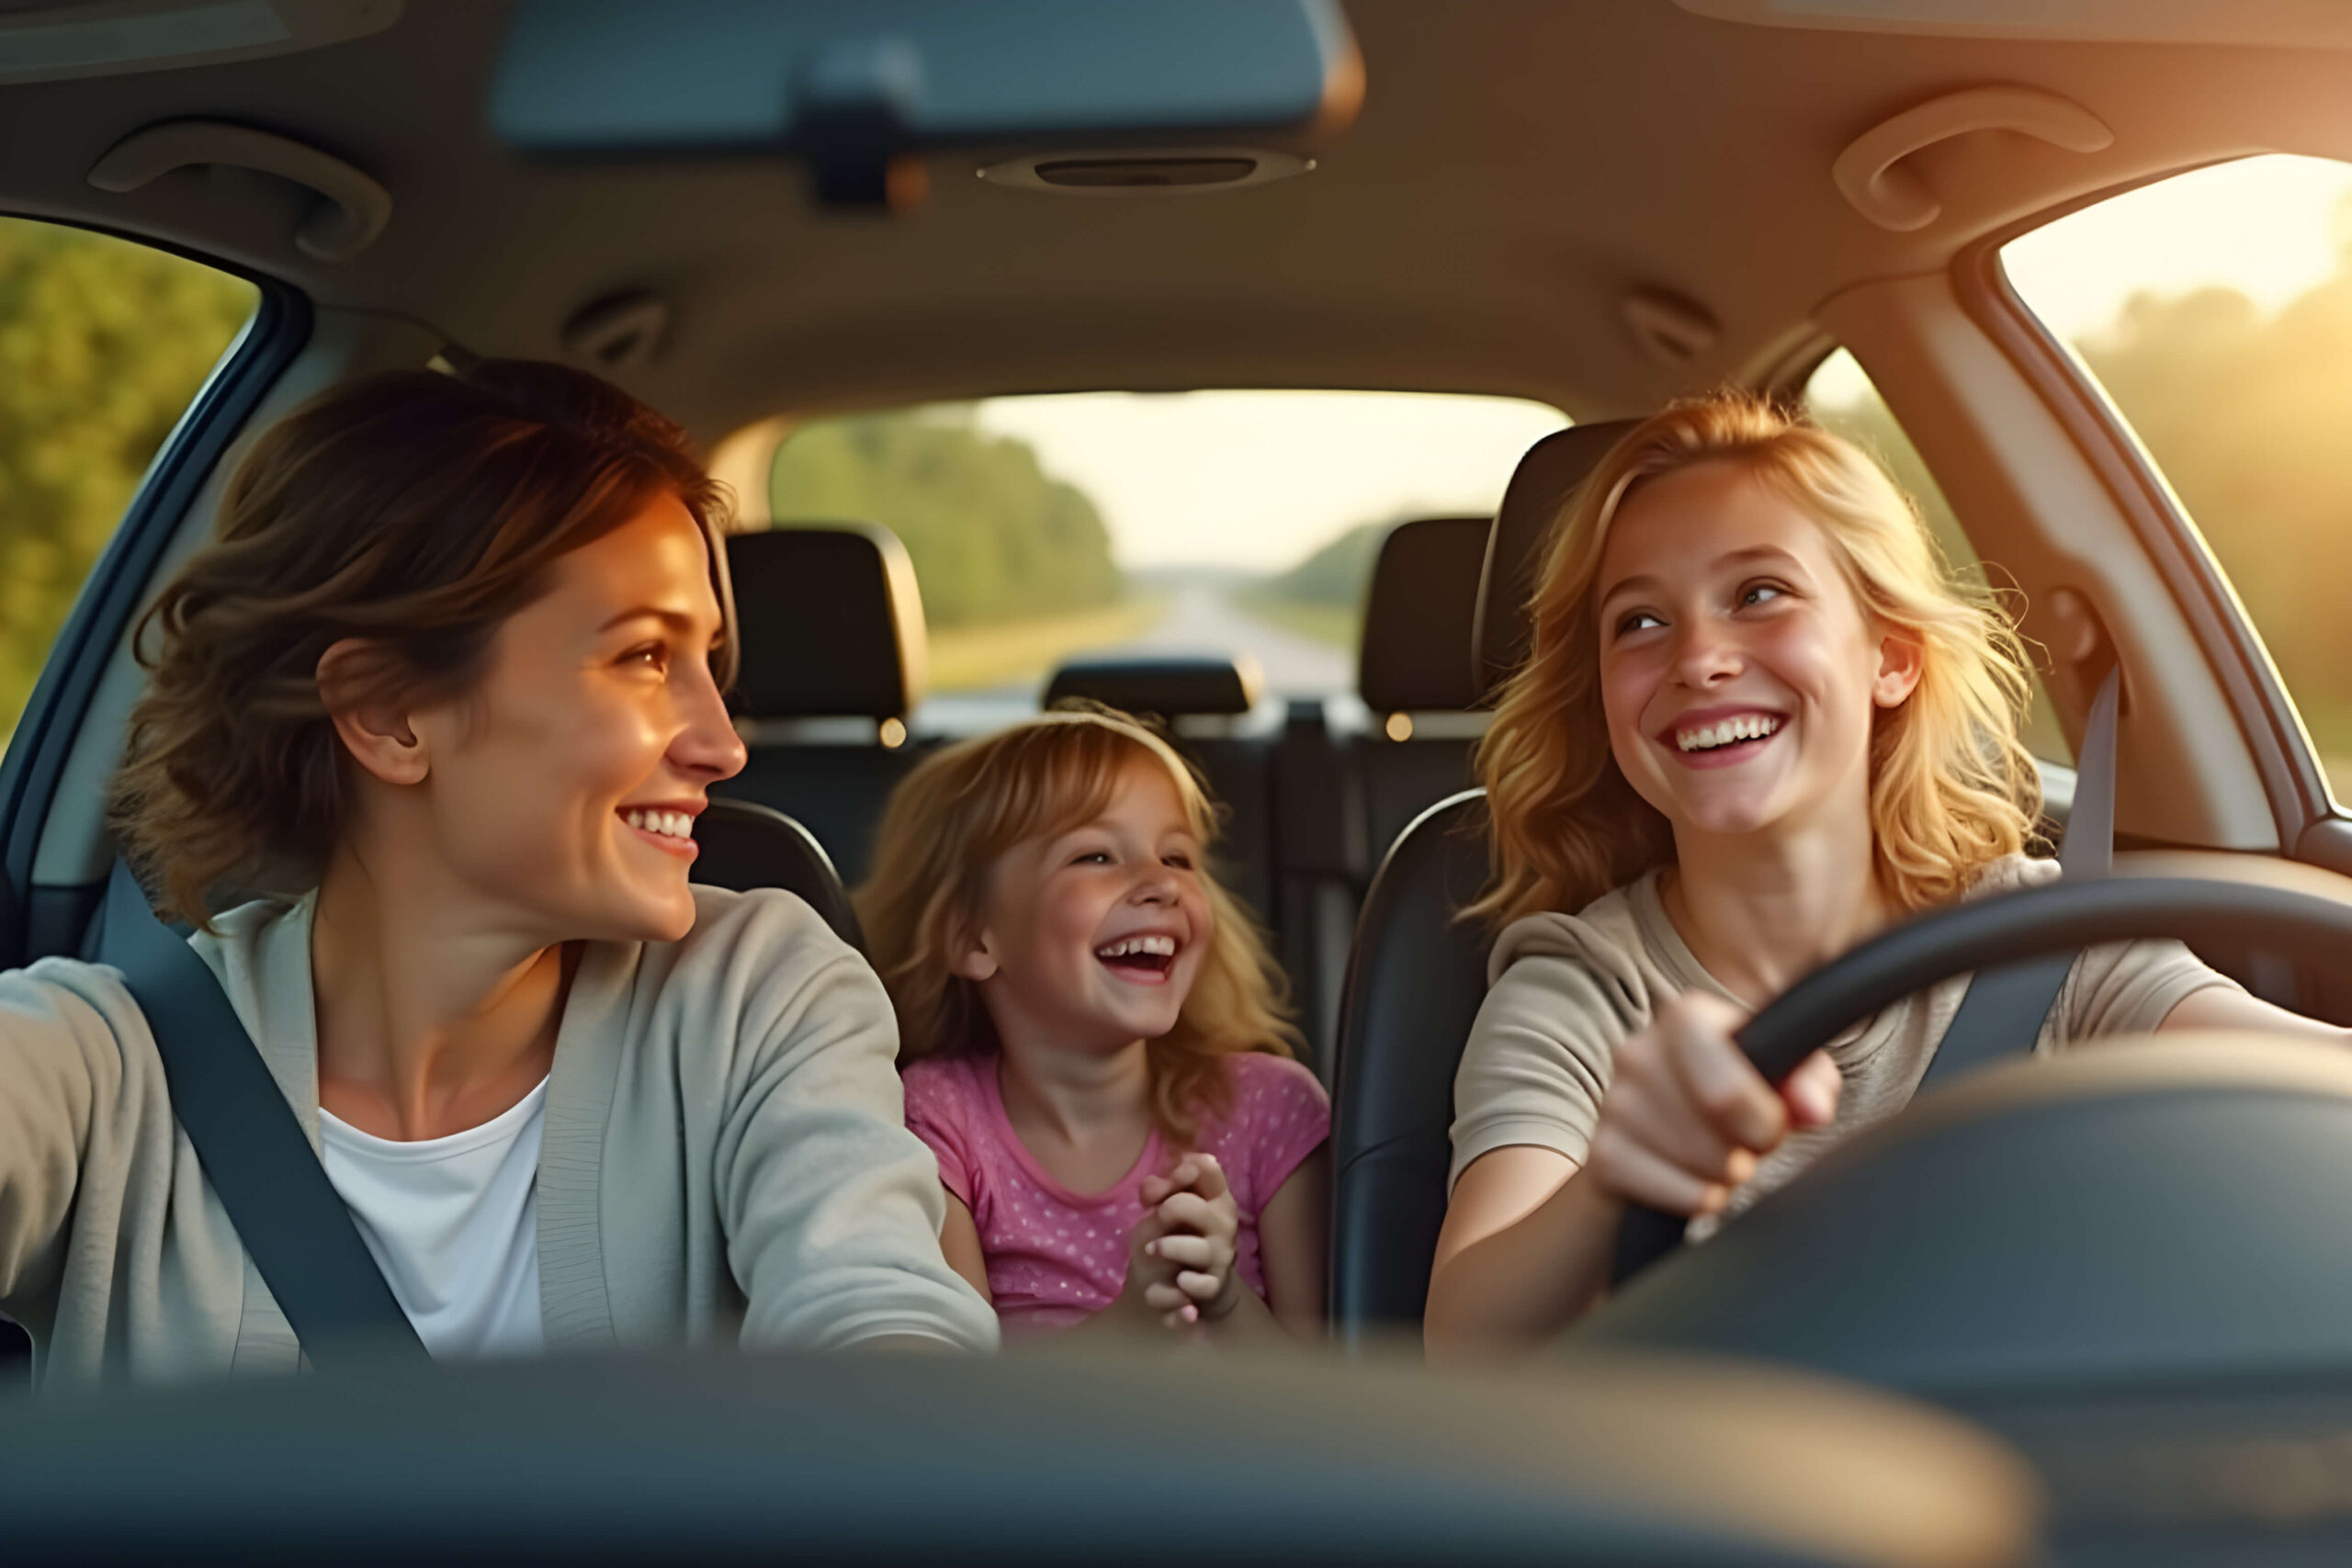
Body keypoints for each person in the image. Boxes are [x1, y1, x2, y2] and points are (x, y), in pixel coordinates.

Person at [0, 360, 997, 1388]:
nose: (722, 744)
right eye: (646, 658)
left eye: (709, 661)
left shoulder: (757, 994)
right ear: (388, 713)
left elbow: (881, 1317)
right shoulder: (105, 1067)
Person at [1420, 391, 2349, 1358]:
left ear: (1891, 657)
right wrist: (1615, 1176)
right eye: (1640, 622)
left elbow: (2300, 1079)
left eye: (1758, 594)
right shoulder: (1579, 989)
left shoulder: (2049, 941)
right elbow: (1465, 1341)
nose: (1697, 658)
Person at [858, 707, 1329, 1342]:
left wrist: (1222, 1299)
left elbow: (1326, 1402)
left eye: (1178, 856)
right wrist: (1134, 1320)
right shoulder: (937, 1118)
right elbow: (963, 1400)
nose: (1161, 883)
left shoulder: (1271, 1110)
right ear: (972, 935)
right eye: (1097, 854)